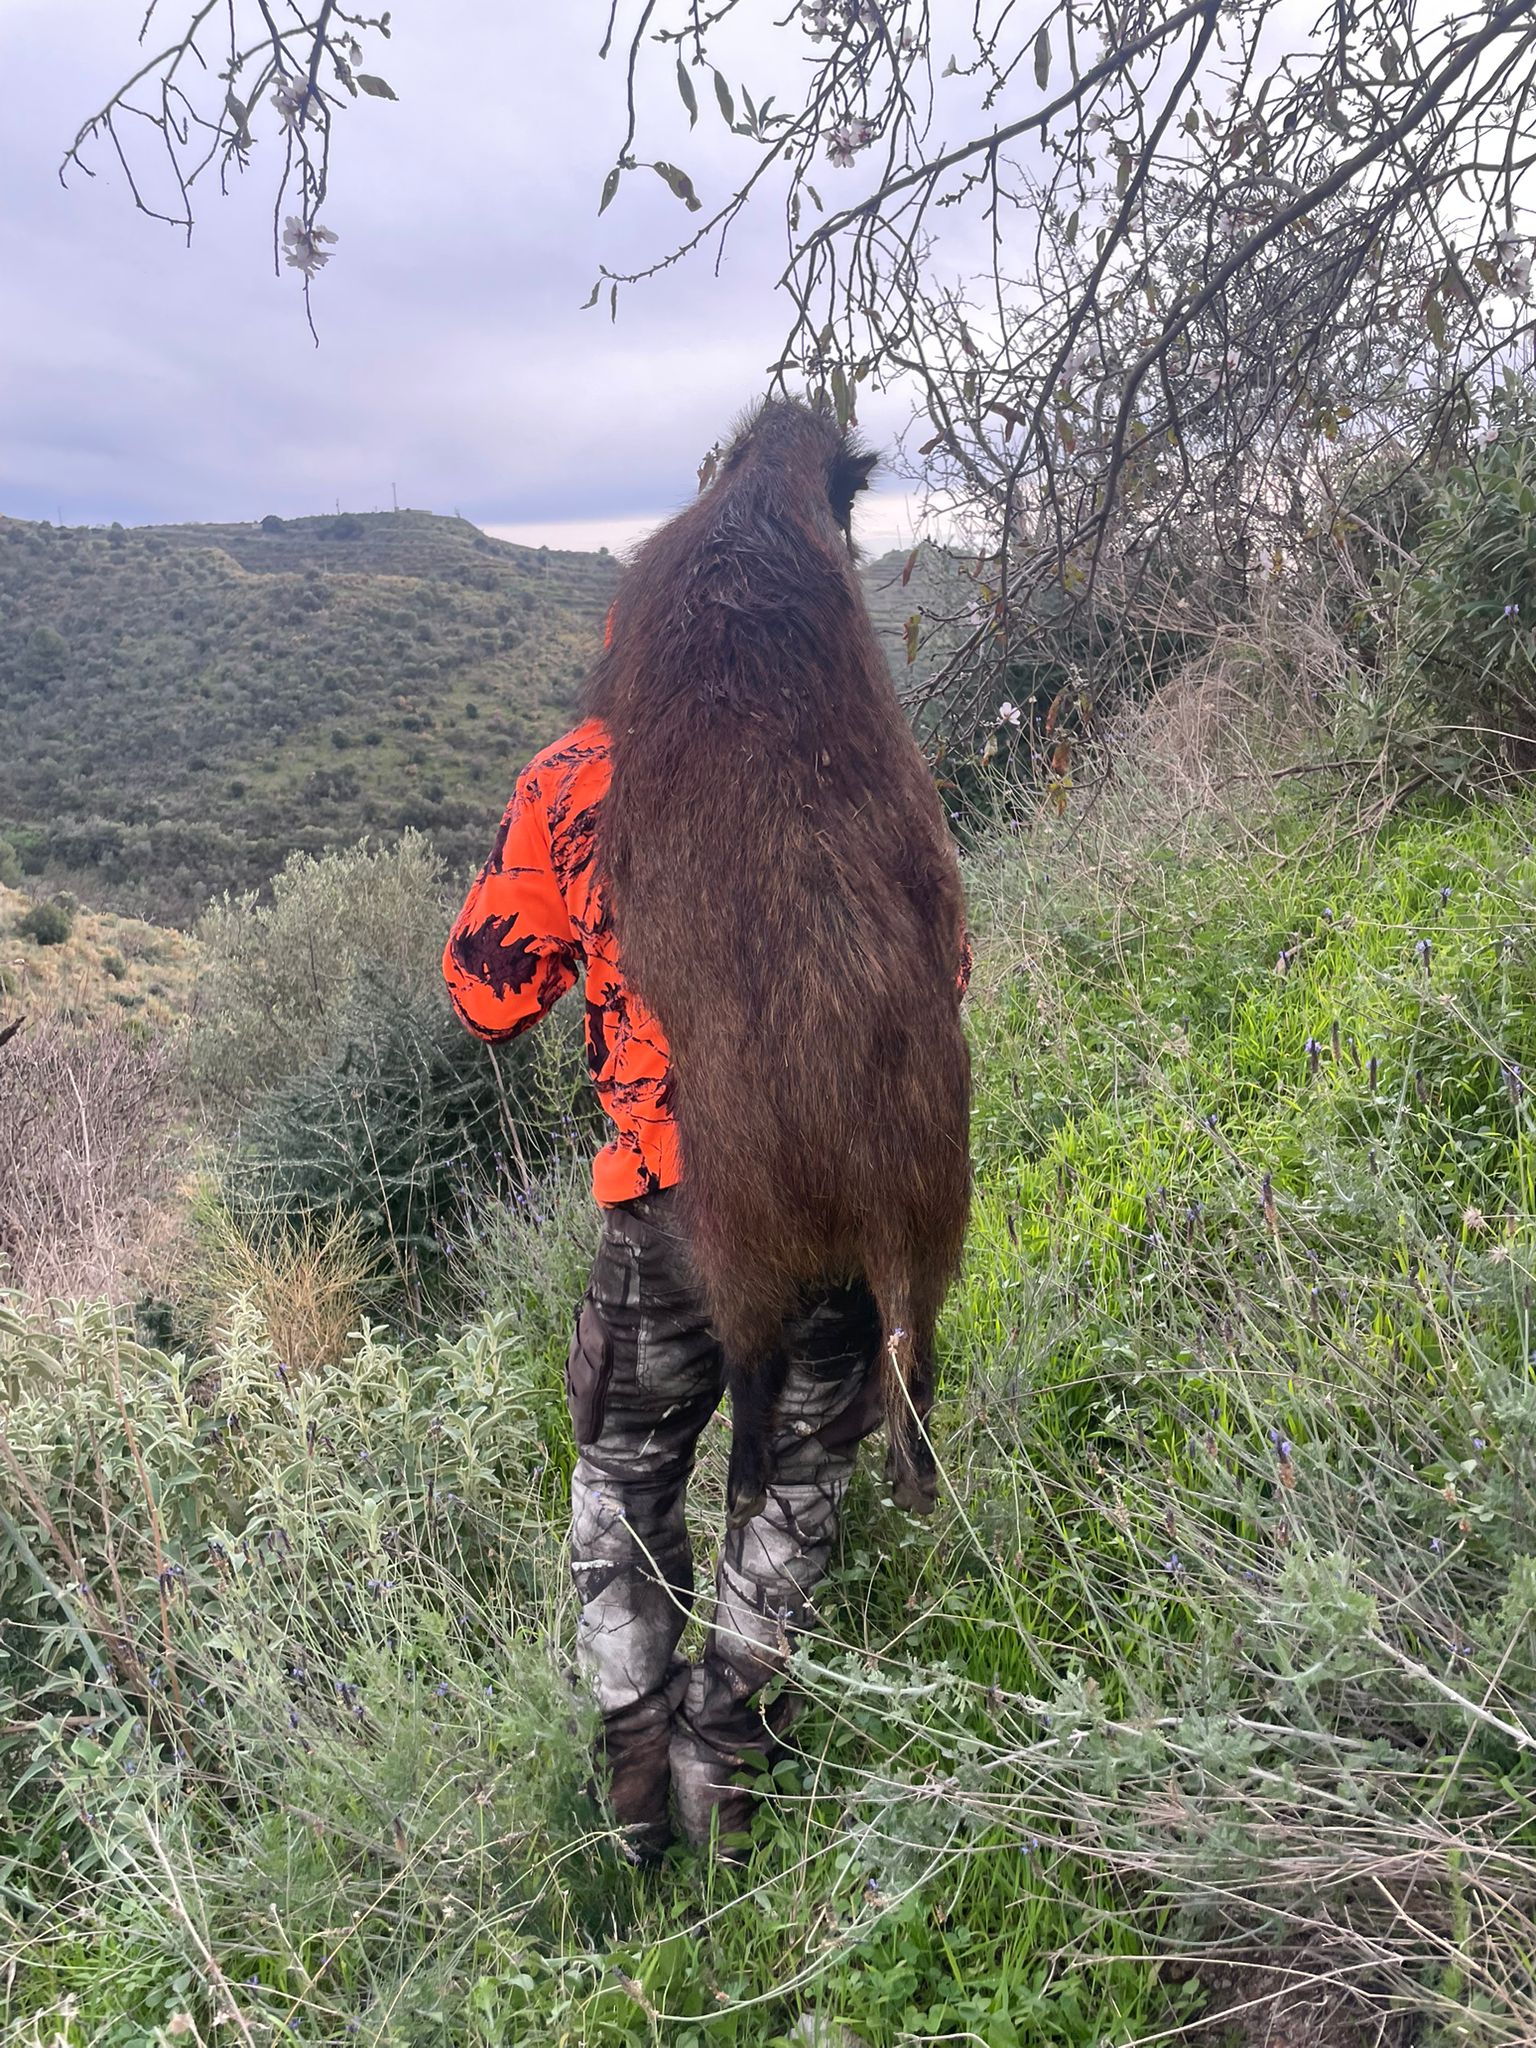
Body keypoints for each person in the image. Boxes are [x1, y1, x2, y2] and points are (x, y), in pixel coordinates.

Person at [443, 705, 905, 1863]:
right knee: (799, 1483)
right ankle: (725, 1746)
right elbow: (938, 964)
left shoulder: (573, 777)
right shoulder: (846, 746)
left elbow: (486, 993)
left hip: (669, 1207)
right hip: (827, 1192)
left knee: (624, 1483)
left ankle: (640, 1773)